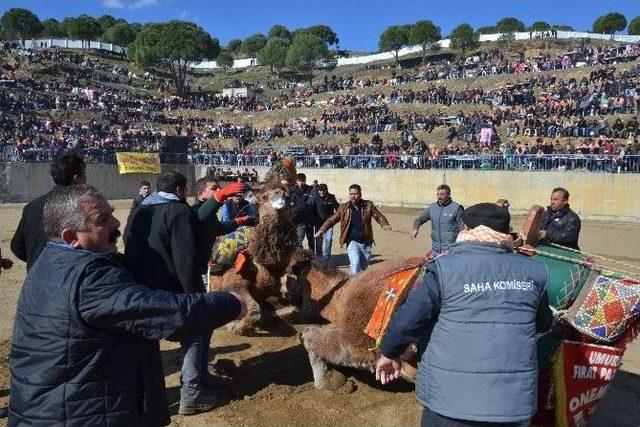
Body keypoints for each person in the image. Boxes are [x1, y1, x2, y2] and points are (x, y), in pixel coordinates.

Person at [9, 185, 246, 426]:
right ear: (71, 238)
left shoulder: (51, 261)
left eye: (111, 213)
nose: (116, 223)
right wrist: (232, 302)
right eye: (103, 219)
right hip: (74, 415)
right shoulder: (91, 280)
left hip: (57, 408)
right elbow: (172, 316)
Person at [376, 202, 552, 426]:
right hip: (511, 406)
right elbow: (543, 324)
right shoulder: (535, 271)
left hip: (449, 403)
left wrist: (389, 352)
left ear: (468, 230)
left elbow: (409, 320)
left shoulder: (444, 268)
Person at [124, 171, 243, 415]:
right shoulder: (179, 212)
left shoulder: (140, 210)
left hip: (140, 286)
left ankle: (150, 394)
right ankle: (192, 394)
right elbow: (185, 257)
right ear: (179, 190)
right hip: (175, 286)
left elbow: (128, 241)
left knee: (146, 342)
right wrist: (193, 295)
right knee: (196, 332)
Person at [11, 150, 86, 270]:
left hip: (35, 280)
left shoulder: (32, 207)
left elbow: (17, 247)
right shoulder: (81, 208)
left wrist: (37, 260)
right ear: (77, 179)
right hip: (65, 281)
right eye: (84, 175)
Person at [315, 184, 391, 275]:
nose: (353, 196)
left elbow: (378, 215)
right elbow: (332, 219)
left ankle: (359, 283)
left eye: (355, 194)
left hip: (366, 242)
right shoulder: (344, 207)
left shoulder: (368, 205)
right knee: (355, 265)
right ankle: (354, 286)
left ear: (360, 194)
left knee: (363, 267)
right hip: (352, 242)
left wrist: (385, 224)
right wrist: (322, 229)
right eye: (351, 194)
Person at [411, 184, 464, 256]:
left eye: (442, 194)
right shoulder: (432, 207)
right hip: (435, 248)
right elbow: (420, 219)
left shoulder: (456, 208)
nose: (439, 196)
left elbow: (463, 227)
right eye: (438, 194)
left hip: (451, 248)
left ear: (448, 195)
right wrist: (415, 228)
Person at [313, 183, 339, 264]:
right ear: (318, 191)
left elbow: (338, 208)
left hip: (329, 223)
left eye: (323, 190)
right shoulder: (315, 198)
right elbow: (311, 210)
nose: (322, 192)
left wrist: (336, 217)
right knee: (319, 241)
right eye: (320, 190)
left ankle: (326, 258)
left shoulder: (331, 198)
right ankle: (319, 257)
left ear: (326, 190)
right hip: (318, 223)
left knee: (329, 240)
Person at [291, 173, 317, 250]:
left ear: (305, 181)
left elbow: (310, 204)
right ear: (296, 181)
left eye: (302, 181)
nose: (301, 183)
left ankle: (312, 257)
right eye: (299, 181)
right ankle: (300, 258)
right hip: (298, 221)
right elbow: (291, 208)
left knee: (311, 240)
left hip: (309, 220)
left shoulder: (311, 189)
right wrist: (302, 206)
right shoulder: (292, 191)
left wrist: (299, 207)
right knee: (298, 240)